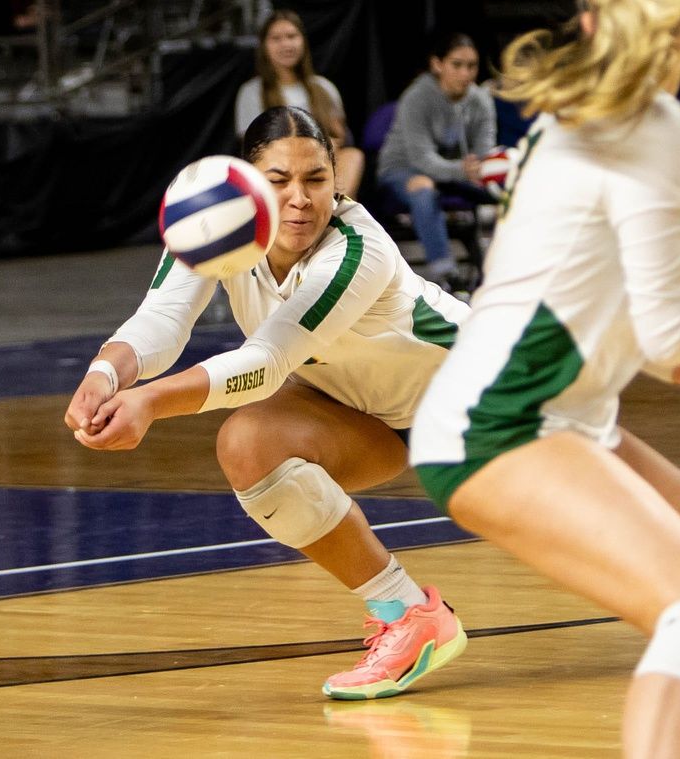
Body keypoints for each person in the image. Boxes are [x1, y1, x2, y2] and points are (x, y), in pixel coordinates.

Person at [409, 1, 680, 756]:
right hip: (497, 423)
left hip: (559, 417)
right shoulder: (653, 123)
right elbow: (666, 328)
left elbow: (626, 324)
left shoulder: (574, 118)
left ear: (588, 24)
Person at [64, 105, 470, 701]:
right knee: (250, 445)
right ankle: (410, 616)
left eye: (316, 180)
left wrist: (148, 401)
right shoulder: (218, 222)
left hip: (476, 394)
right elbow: (163, 317)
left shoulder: (358, 248)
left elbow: (266, 363)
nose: (300, 199)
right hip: (369, 415)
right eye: (279, 181)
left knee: (588, 529)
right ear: (251, 182)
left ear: (338, 180)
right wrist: (104, 374)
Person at [376, 32, 497, 291]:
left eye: (471, 66)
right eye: (457, 65)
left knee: (509, 189)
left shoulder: (481, 101)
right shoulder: (417, 96)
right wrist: (464, 170)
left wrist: (486, 171)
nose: (465, 73)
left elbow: (484, 152)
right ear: (437, 64)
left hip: (456, 172)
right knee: (423, 187)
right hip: (404, 169)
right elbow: (421, 159)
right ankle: (447, 275)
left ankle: (503, 270)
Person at [235, 10, 365, 199]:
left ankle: (333, 214)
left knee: (353, 156)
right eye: (277, 38)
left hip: (321, 164)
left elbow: (340, 138)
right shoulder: (251, 92)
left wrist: (326, 147)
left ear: (302, 41)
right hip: (278, 167)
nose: (286, 44)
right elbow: (252, 149)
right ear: (264, 46)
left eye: (291, 36)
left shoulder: (324, 88)